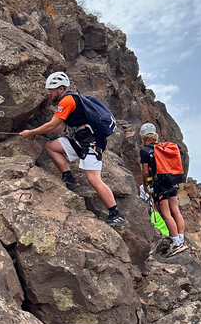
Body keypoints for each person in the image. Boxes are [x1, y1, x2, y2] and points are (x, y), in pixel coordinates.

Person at [19, 72, 129, 226]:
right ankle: (69, 178)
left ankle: (116, 214)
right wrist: (41, 134)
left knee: (93, 179)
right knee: (51, 146)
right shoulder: (70, 100)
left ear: (61, 89)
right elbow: (59, 127)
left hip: (91, 143)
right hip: (79, 141)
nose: (49, 93)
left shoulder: (68, 100)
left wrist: (32, 132)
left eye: (52, 90)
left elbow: (52, 124)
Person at [139, 122, 188, 256]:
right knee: (175, 210)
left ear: (143, 136)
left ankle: (176, 242)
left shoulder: (145, 151)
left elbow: (145, 172)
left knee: (165, 213)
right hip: (172, 182)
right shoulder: (163, 148)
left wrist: (146, 185)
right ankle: (182, 240)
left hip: (159, 185)